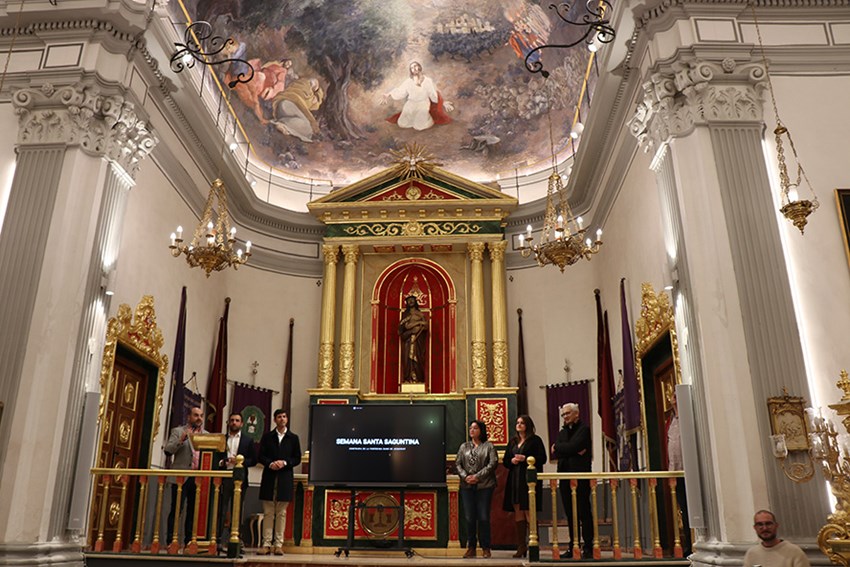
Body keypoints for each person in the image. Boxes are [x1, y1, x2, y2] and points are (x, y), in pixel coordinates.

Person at [551, 403, 593, 559]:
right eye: (563, 414)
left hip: (580, 476)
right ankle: (573, 546)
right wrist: (570, 450)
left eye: (567, 413)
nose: (565, 417)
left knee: (584, 512)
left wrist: (561, 448)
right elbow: (557, 450)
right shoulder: (562, 432)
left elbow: (572, 446)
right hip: (564, 476)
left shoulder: (584, 429)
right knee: (570, 513)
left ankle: (588, 546)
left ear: (576, 414)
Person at [502, 414, 547, 558]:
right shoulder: (513, 441)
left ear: (528, 425)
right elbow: (506, 460)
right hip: (515, 480)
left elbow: (542, 458)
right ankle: (521, 546)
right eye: (517, 423)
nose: (519, 425)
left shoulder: (535, 440)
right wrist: (512, 461)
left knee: (529, 510)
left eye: (522, 423)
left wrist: (526, 458)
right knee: (518, 511)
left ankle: (534, 544)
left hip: (528, 480)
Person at [257, 409, 301, 555]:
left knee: (281, 513)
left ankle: (278, 544)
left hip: (284, 478)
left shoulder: (293, 438)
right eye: (279, 417)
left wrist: (285, 463)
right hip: (269, 477)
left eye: (284, 417)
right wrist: (270, 463)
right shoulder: (267, 437)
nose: (282, 419)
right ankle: (266, 543)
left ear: (287, 419)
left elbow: (297, 458)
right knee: (268, 512)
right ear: (275, 420)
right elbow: (261, 456)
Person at [164, 405, 206, 546]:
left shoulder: (207, 435)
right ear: (189, 417)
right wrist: (181, 440)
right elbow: (168, 450)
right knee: (176, 509)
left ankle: (189, 541)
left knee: (193, 511)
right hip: (181, 477)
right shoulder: (178, 431)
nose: (199, 418)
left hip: (198, 478)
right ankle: (171, 541)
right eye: (196, 415)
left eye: (201, 416)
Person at [456, 420, 499, 559]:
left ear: (481, 430)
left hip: (484, 485)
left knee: (483, 517)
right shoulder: (464, 446)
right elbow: (458, 463)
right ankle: (471, 547)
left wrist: (477, 476)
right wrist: (465, 476)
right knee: (469, 518)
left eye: (475, 428)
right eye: (470, 428)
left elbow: (492, 463)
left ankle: (486, 547)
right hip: (467, 486)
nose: (472, 430)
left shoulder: (488, 446)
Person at [217, 412, 257, 547]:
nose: (234, 422)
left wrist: (240, 461)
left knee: (237, 509)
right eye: (232, 420)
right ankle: (218, 538)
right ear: (229, 422)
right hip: (224, 477)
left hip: (240, 478)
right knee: (221, 508)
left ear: (242, 424)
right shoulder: (221, 439)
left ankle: (235, 538)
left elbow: (253, 460)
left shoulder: (247, 440)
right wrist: (224, 462)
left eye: (237, 420)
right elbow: (216, 457)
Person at [381, 61, 453, 130]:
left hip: (423, 104)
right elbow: (400, 92)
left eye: (415, 66)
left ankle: (427, 119)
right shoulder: (408, 82)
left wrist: (443, 103)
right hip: (411, 104)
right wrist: (388, 94)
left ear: (419, 67)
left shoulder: (428, 81)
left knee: (419, 126)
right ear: (411, 71)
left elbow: (433, 95)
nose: (414, 69)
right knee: (402, 124)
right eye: (412, 68)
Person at [666, 388, 691, 555]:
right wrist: (671, 472)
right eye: (672, 396)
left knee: (692, 509)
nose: (673, 398)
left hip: (690, 470)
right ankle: (687, 544)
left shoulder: (687, 418)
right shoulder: (671, 420)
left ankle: (693, 542)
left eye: (676, 395)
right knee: (684, 509)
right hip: (677, 472)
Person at [743, 510, 811, 567]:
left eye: (768, 524)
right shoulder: (751, 554)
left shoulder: (794, 552)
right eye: (760, 524)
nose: (765, 528)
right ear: (755, 528)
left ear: (776, 525)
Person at [271, 77, 324, 142]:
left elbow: (314, 105)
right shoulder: (304, 87)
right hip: (288, 105)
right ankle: (282, 124)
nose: (314, 98)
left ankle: (283, 126)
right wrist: (314, 126)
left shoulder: (300, 88)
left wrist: (318, 94)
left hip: (282, 107)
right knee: (308, 127)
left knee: (306, 126)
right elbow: (304, 107)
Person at [398, 296, 428, 383]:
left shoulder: (420, 314)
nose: (411, 302)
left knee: (418, 358)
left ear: (415, 301)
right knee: (407, 359)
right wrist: (414, 328)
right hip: (408, 340)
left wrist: (420, 326)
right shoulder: (405, 315)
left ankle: (418, 378)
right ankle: (408, 378)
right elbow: (402, 328)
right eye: (409, 300)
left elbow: (426, 326)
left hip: (418, 340)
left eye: (412, 300)